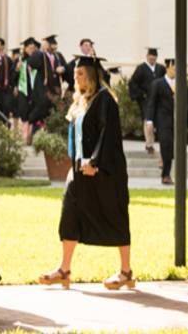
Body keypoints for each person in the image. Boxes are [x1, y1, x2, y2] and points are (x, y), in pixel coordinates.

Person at [38, 56, 137, 291]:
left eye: (80, 73)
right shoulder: (81, 101)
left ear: (92, 75)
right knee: (70, 212)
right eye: (74, 74)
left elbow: (108, 135)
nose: (75, 77)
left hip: (105, 171)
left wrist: (95, 162)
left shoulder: (105, 100)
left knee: (115, 215)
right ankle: (64, 270)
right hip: (80, 171)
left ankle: (126, 272)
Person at [17, 38, 53, 145]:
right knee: (32, 115)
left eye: (33, 48)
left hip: (38, 95)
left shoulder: (40, 56)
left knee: (35, 115)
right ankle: (30, 137)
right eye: (29, 48)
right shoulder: (41, 57)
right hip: (28, 92)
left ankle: (32, 137)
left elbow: (32, 63)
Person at [149, 60, 180, 185]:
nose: (176, 70)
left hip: (176, 121)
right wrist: (150, 120)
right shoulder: (158, 83)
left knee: (172, 148)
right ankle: (166, 174)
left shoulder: (180, 84)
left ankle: (167, 169)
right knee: (166, 145)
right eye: (174, 67)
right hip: (163, 121)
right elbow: (151, 102)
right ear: (168, 68)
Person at [131, 48, 163, 157]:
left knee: (155, 122)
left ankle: (151, 142)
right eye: (150, 56)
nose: (152, 58)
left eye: (154, 56)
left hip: (158, 99)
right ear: (147, 56)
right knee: (148, 121)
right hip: (146, 100)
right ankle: (149, 144)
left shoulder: (160, 68)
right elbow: (133, 83)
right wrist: (140, 95)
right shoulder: (141, 69)